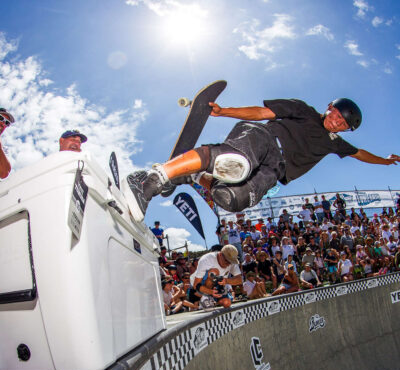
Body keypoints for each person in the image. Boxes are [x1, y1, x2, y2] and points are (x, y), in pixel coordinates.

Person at [126, 96, 400, 221]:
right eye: (337, 116)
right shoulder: (303, 110)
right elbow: (261, 112)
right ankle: (151, 180)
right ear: (330, 108)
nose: (337, 123)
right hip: (263, 139)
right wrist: (224, 111)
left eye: (343, 125)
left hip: (275, 170)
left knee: (231, 200)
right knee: (236, 161)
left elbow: (360, 154)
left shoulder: (336, 144)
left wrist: (386, 162)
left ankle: (194, 175)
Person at [190, 244, 243, 309]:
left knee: (227, 303)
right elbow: (196, 284)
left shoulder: (232, 262)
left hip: (215, 285)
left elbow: (240, 280)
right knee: (214, 271)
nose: (228, 264)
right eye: (226, 261)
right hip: (198, 285)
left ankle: (213, 301)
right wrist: (210, 292)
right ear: (220, 254)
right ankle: (205, 298)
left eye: (230, 262)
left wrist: (226, 281)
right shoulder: (207, 259)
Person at [0, 107, 15, 179]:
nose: (3, 123)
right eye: (1, 118)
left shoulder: (3, 149)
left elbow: (4, 173)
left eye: (7, 123)